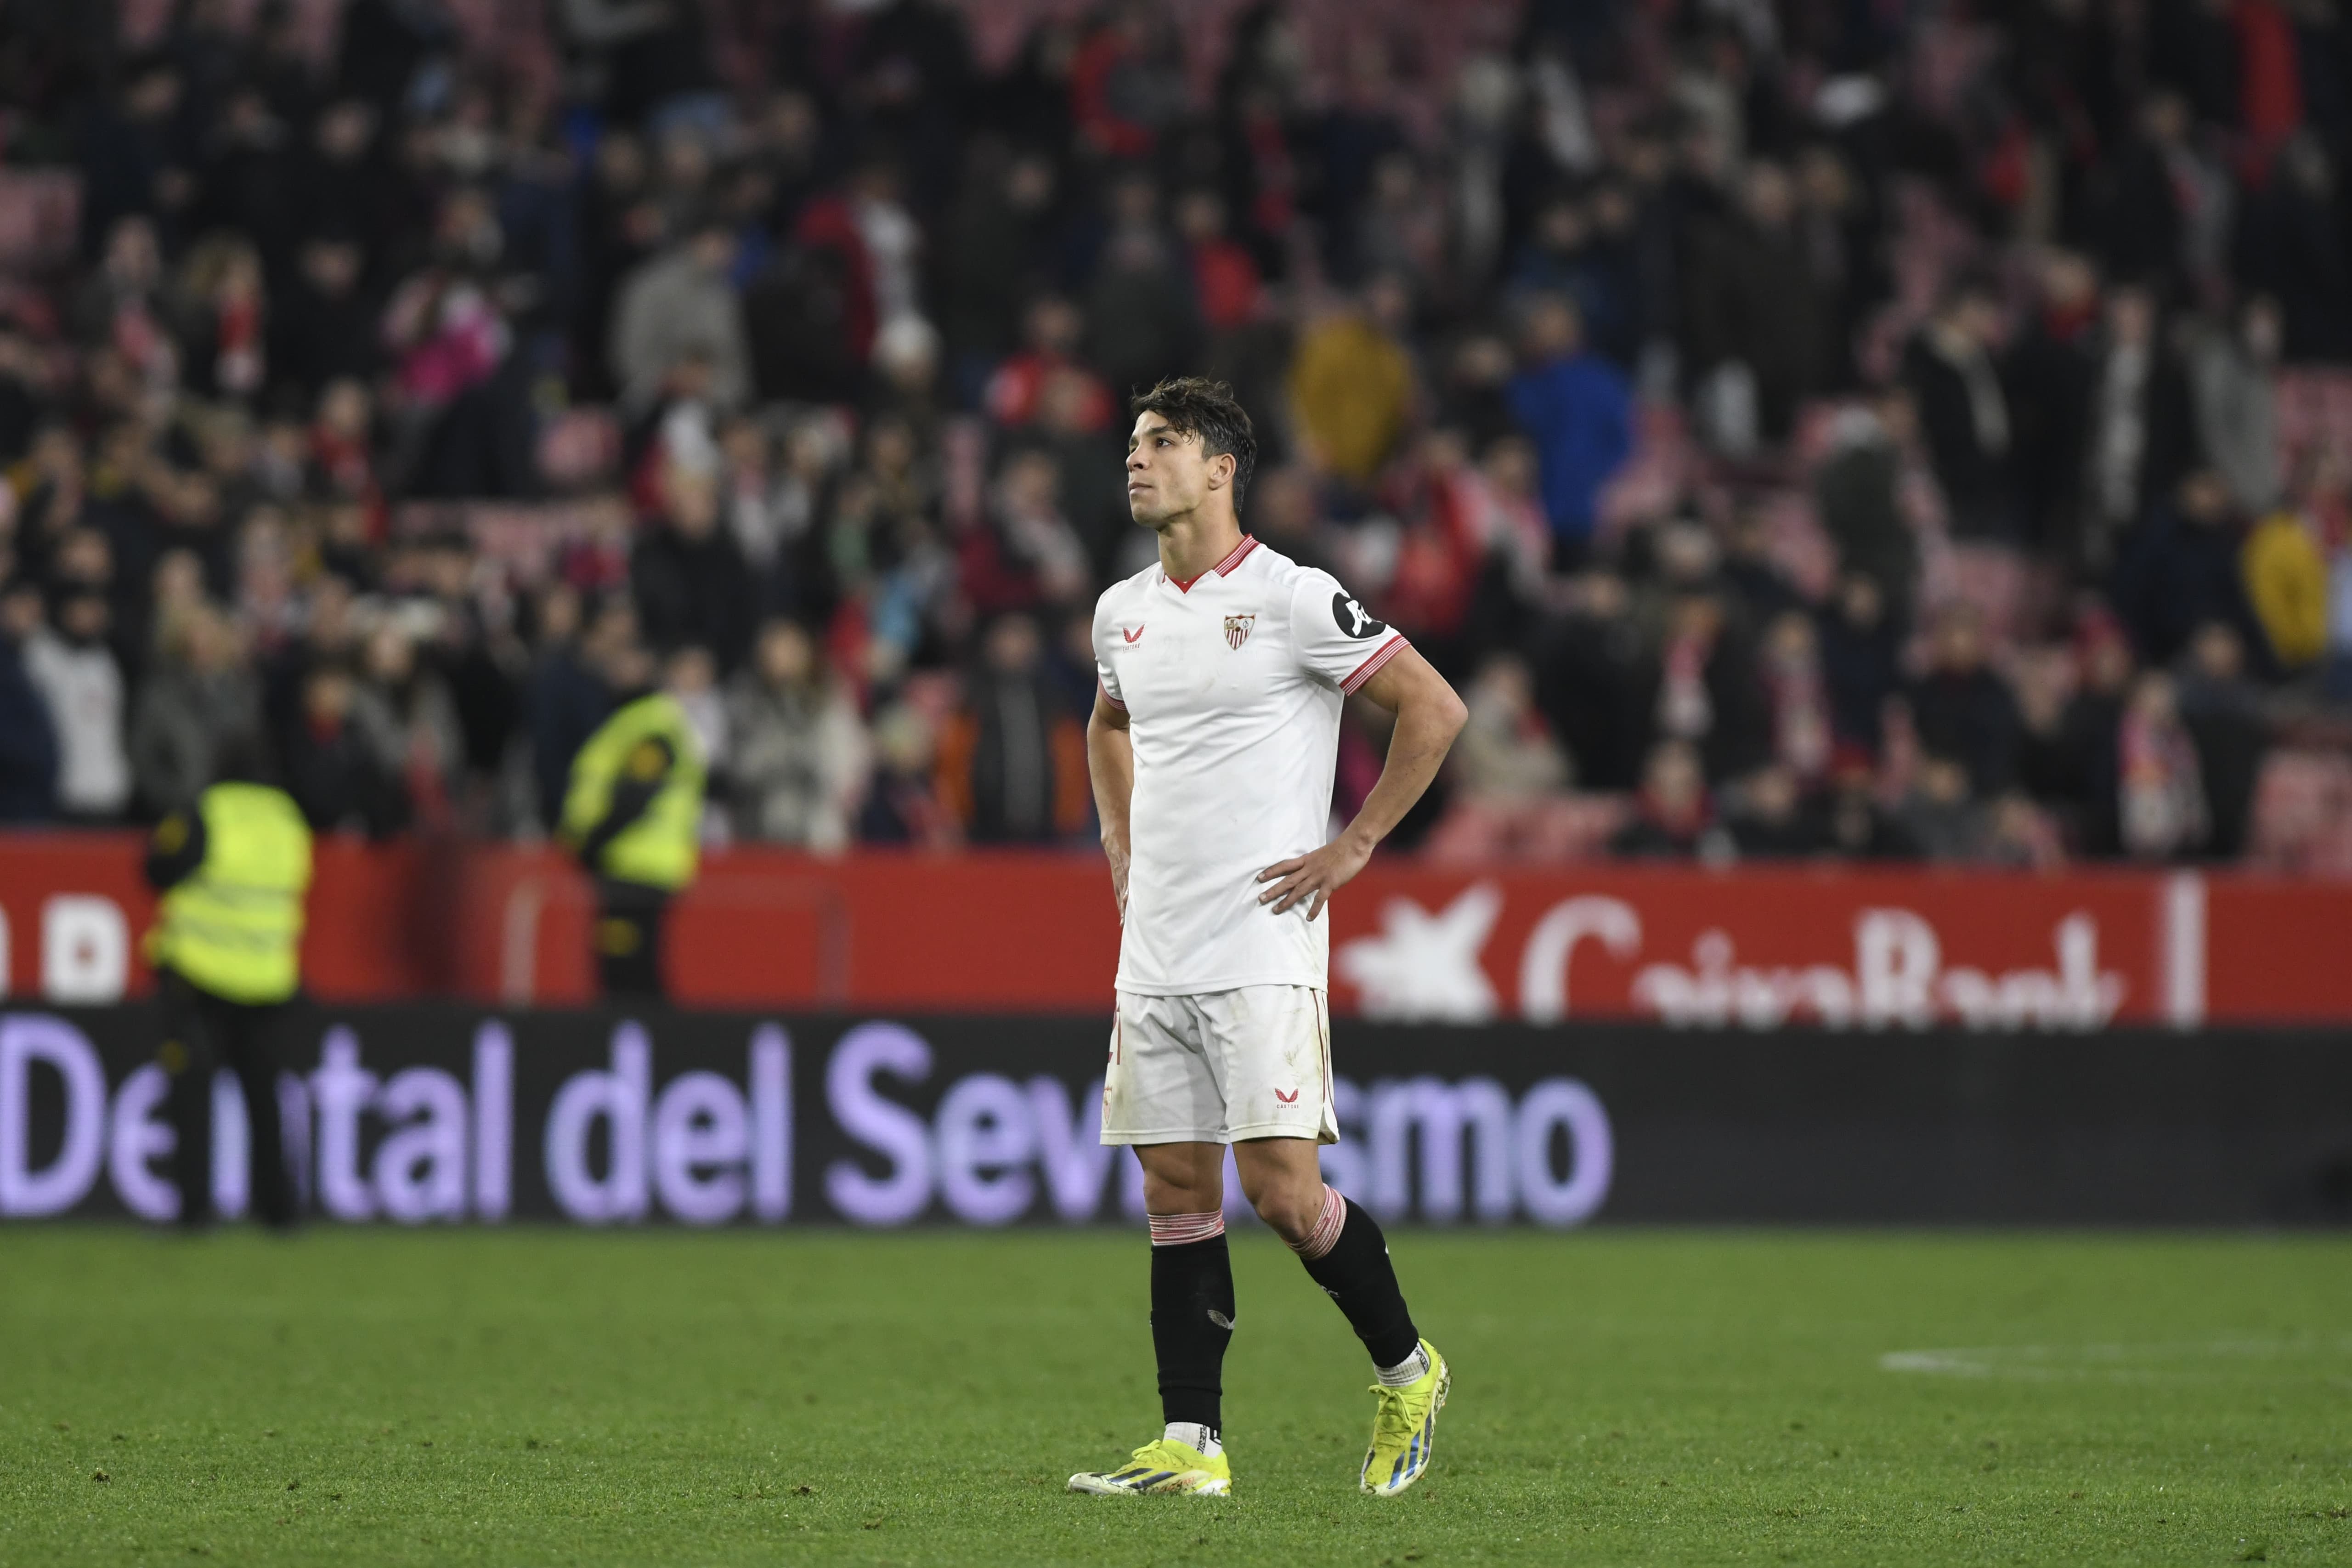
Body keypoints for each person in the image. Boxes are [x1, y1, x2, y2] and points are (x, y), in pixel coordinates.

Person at [1069, 378, 1468, 1500]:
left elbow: (1434, 710)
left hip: (1260, 941)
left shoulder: (1295, 599)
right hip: (1155, 944)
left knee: (1286, 1195)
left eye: (1163, 443)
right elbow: (1107, 722)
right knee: (1174, 1190)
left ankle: (1409, 1369)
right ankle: (1190, 1445)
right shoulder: (1122, 613)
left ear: (1220, 468)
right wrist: (1116, 833)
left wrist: (1356, 845)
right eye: (1135, 442)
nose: (1138, 460)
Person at [142, 736, 312, 1229]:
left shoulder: (208, 812)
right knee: (264, 1098)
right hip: (266, 979)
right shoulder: (288, 820)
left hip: (201, 977)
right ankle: (279, 1209)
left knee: (193, 1096)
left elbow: (158, 867)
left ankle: (194, 1208)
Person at [557, 641, 706, 997]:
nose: (617, 671)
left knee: (629, 973)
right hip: (629, 865)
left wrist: (593, 842)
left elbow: (636, 794)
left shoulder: (652, 724)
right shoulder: (629, 720)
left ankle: (650, 1047)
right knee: (627, 967)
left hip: (638, 865)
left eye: (629, 662)